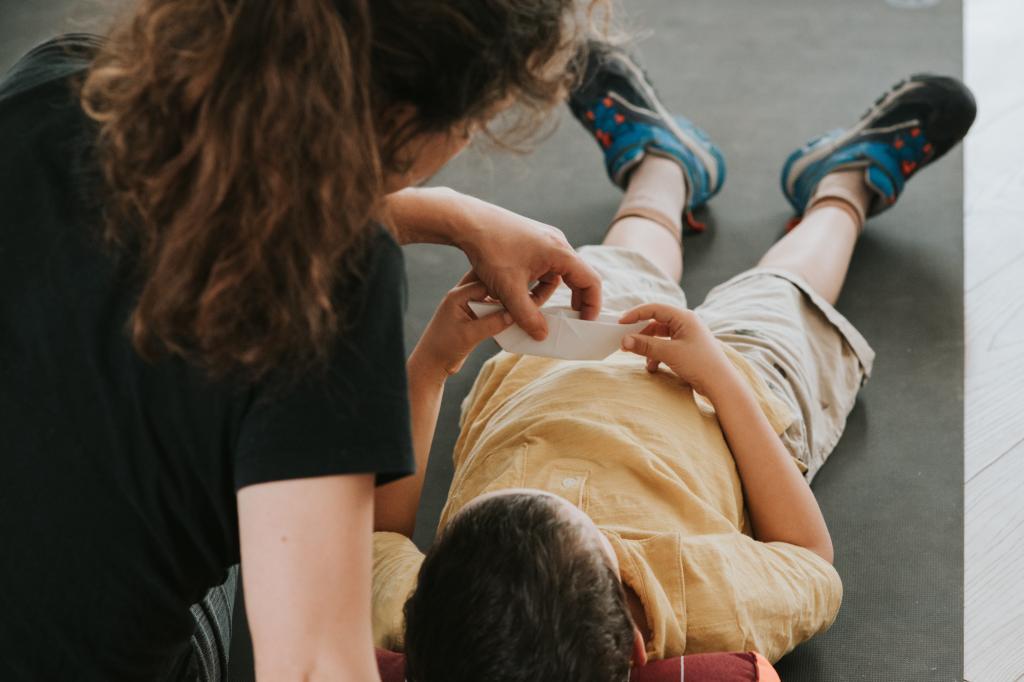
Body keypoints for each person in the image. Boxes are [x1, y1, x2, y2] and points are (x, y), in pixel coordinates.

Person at [0, 2, 612, 680]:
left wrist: (448, 216)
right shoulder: (332, 279)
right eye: (470, 124)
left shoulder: (71, 80)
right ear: (402, 117)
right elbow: (312, 665)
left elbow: (204, 206)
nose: (464, 145)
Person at [369, 43, 976, 681]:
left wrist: (433, 363)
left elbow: (379, 543)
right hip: (740, 400)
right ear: (636, 649)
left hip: (555, 367)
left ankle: (662, 163)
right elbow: (807, 557)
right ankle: (846, 186)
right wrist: (719, 375)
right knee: (785, 291)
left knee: (620, 260)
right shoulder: (709, 602)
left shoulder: (410, 614)